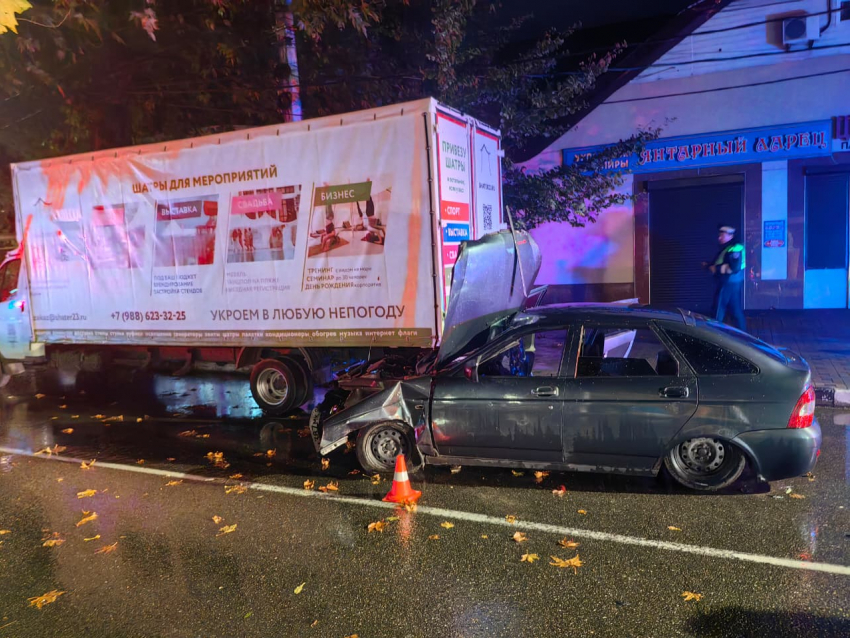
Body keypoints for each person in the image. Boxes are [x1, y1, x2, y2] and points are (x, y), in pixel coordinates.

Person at [703, 224, 746, 330]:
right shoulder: (729, 247)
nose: (719, 238)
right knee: (735, 311)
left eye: (722, 235)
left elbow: (734, 268)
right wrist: (709, 265)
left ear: (730, 236)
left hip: (727, 283)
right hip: (732, 283)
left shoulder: (734, 248)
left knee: (718, 310)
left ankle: (713, 335)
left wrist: (716, 269)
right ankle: (744, 335)